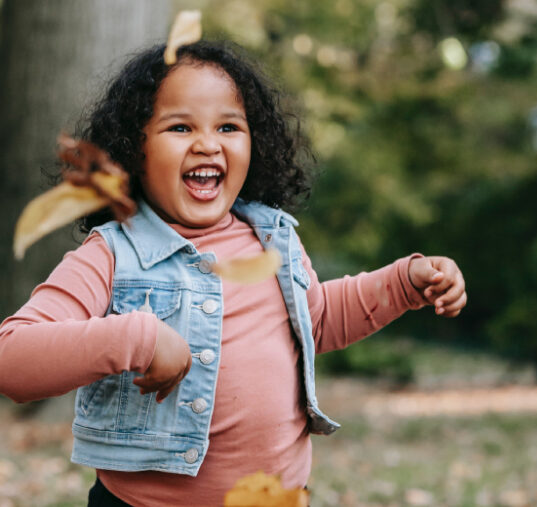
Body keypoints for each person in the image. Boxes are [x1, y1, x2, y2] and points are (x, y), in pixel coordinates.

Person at [0, 40, 467, 506]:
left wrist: (405, 283)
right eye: (180, 127)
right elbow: (12, 359)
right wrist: (138, 339)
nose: (208, 143)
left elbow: (317, 321)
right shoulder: (112, 254)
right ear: (133, 149)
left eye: (228, 126)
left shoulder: (272, 239)